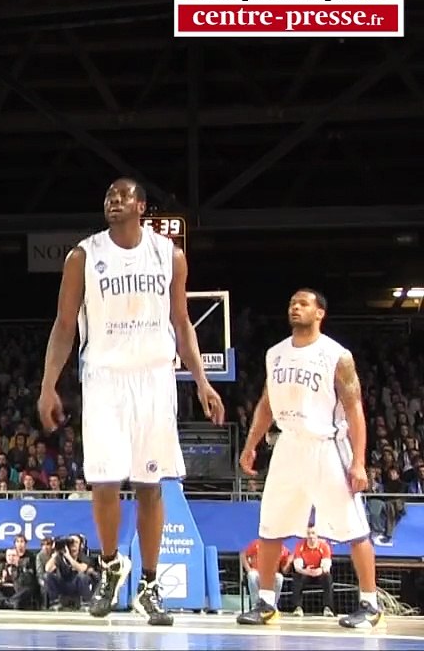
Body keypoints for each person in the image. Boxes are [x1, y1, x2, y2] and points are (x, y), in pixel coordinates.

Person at [38, 177, 224, 626]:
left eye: (122, 196)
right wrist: (48, 385)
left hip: (155, 378)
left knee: (149, 485)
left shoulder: (169, 255)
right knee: (104, 482)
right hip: (104, 378)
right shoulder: (83, 256)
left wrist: (201, 381)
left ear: (142, 206)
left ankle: (149, 585)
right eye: (108, 196)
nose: (113, 201)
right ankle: (109, 567)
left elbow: (182, 321)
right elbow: (64, 325)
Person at [237, 289, 382, 629]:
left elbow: (355, 410)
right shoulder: (275, 354)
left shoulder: (337, 355)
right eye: (292, 303)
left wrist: (359, 462)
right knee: (270, 527)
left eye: (303, 304)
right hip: (288, 444)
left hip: (326, 445)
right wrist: (251, 444)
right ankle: (266, 603)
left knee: (354, 530)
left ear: (320, 313)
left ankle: (370, 604)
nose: (295, 307)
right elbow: (267, 403)